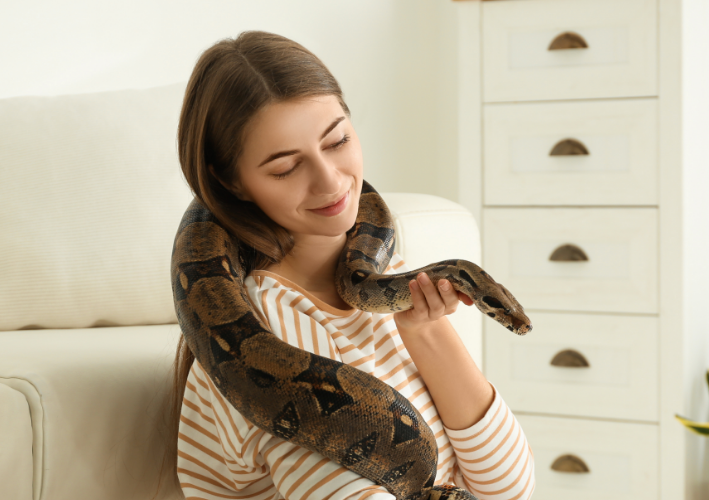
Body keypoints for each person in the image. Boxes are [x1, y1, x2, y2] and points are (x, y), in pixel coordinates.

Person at [169, 31, 535, 500]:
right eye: (285, 167)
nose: (331, 181)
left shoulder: (395, 283)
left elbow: (510, 488)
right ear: (231, 183)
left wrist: (425, 332)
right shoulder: (273, 330)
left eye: (337, 140)